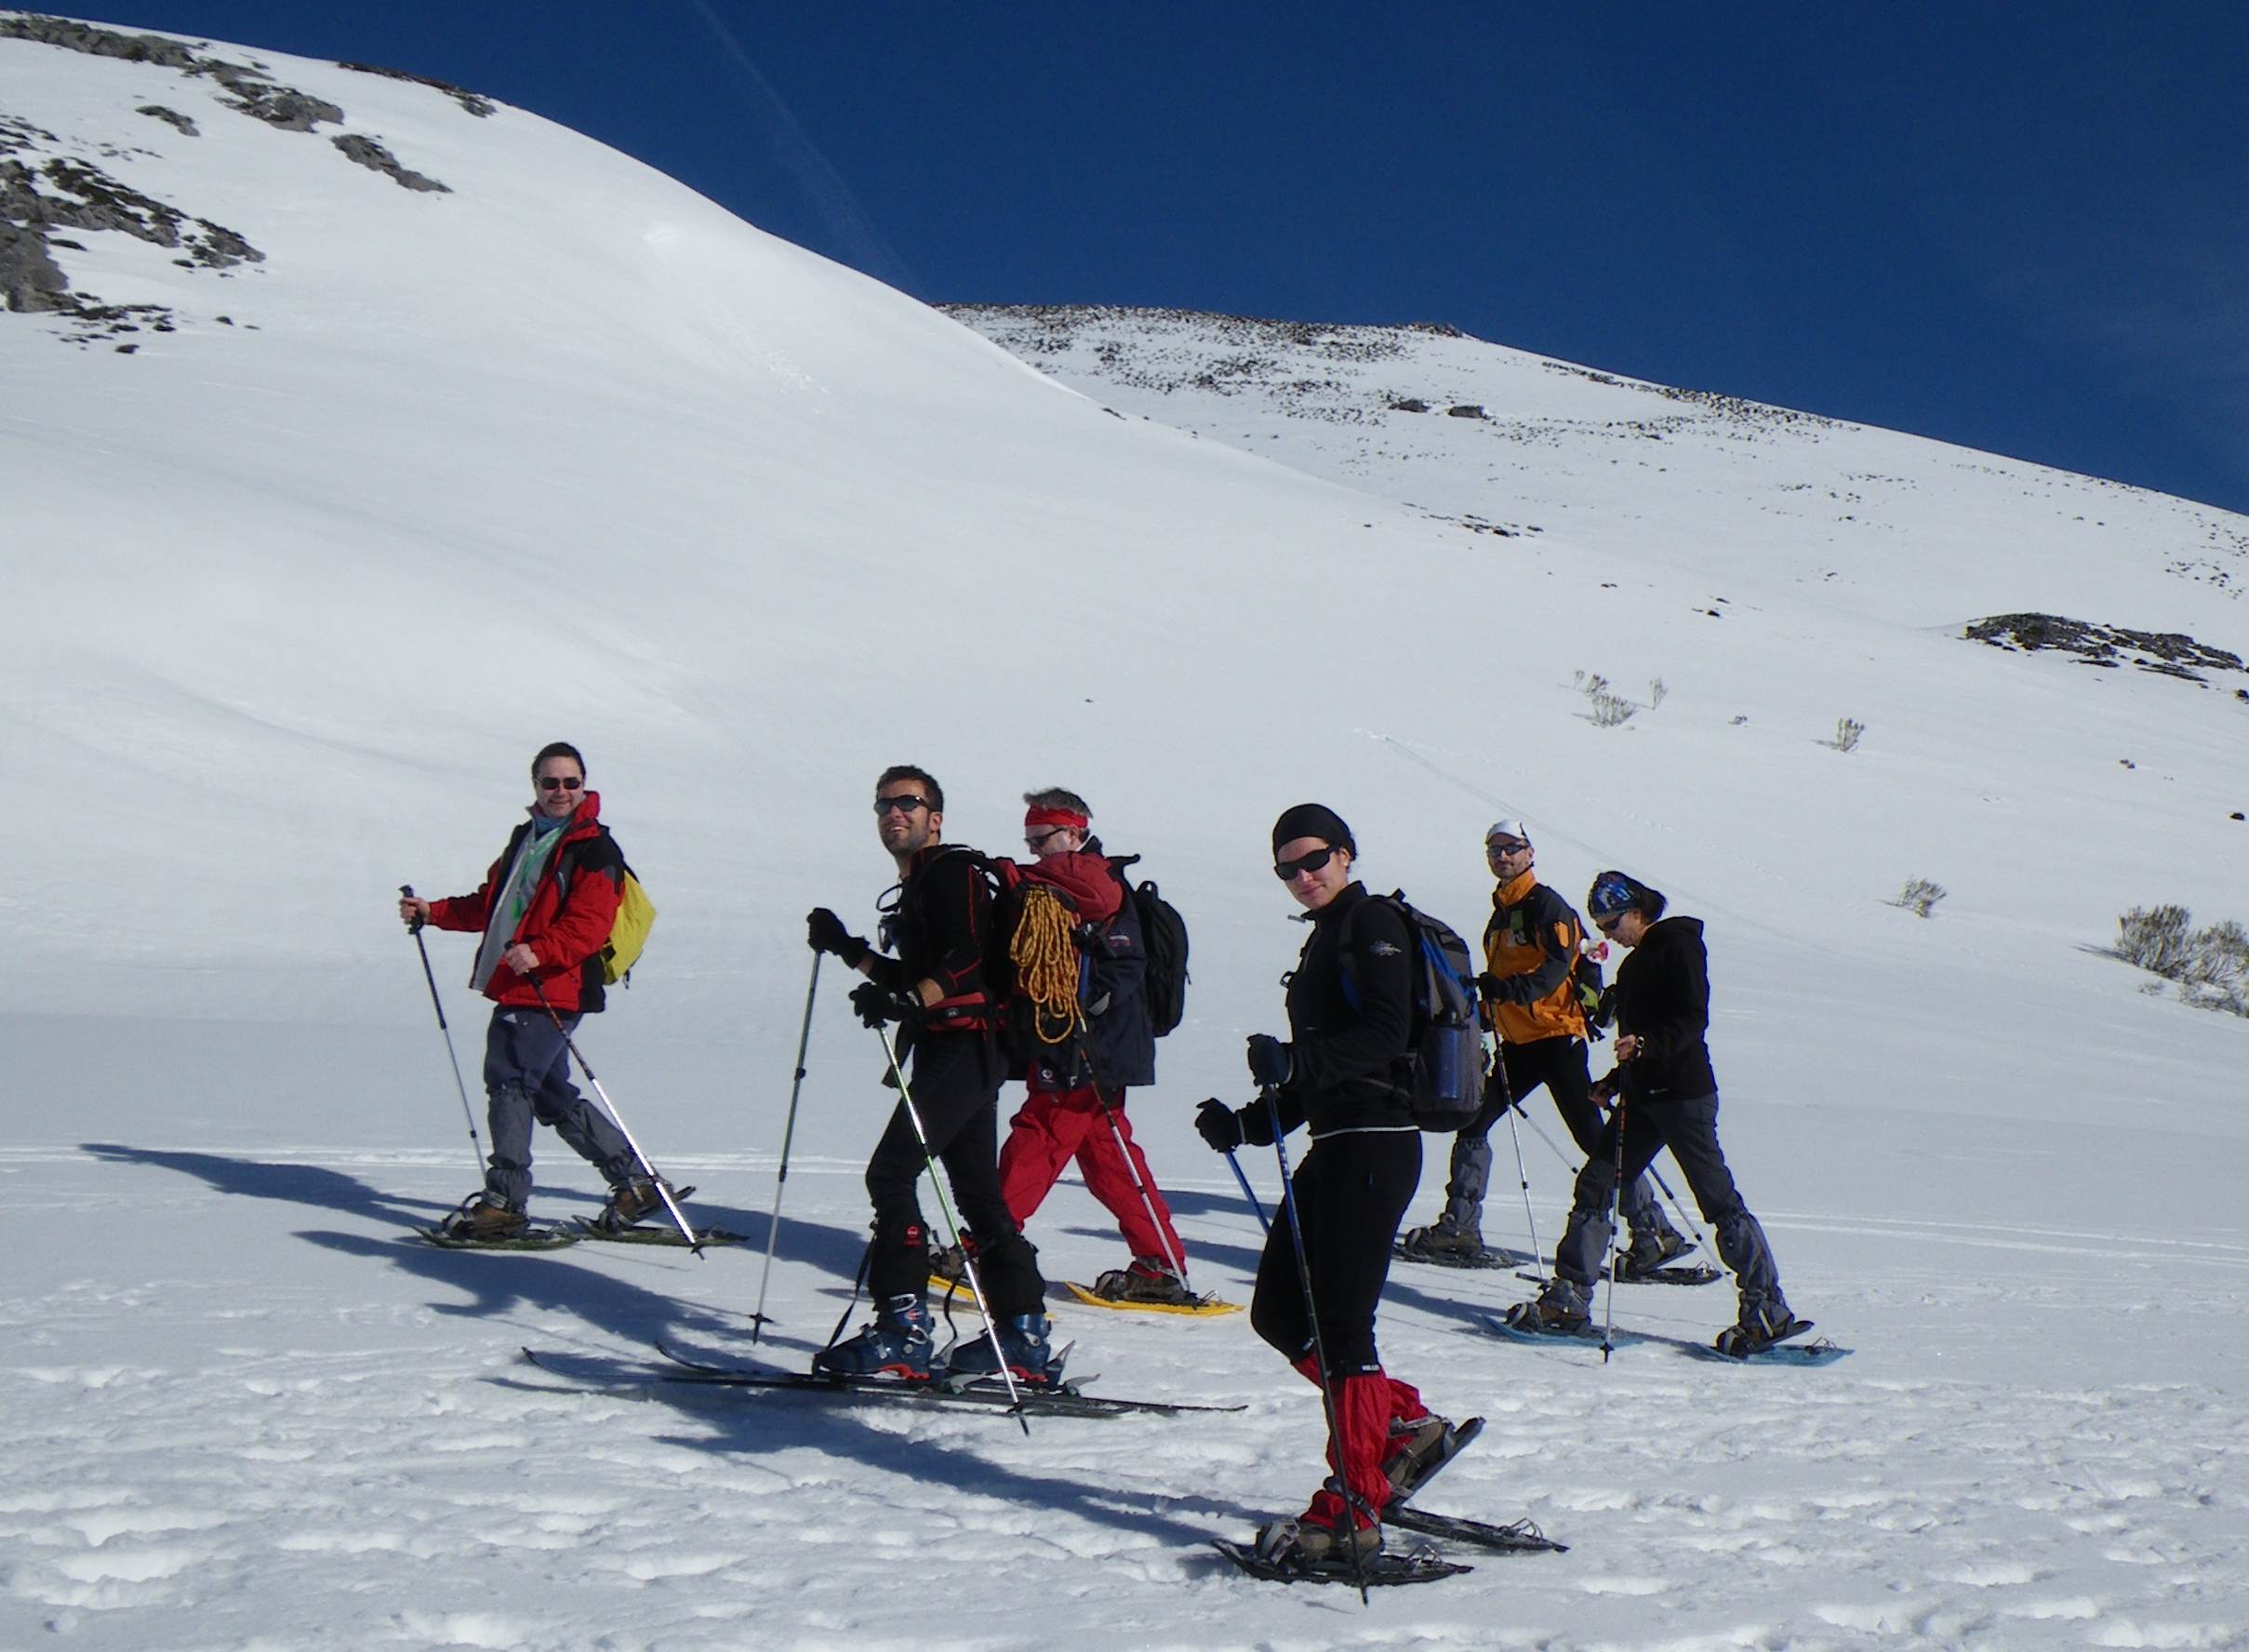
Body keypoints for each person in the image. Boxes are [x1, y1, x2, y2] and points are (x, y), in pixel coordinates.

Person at [1192, 804, 1464, 1567]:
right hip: (1335, 1143)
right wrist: (1252, 1122)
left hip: (1377, 1145)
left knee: (1344, 1331)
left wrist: (1296, 1064)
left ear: (1346, 854)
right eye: (1288, 868)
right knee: (1281, 1312)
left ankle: (1351, 1509)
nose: (1303, 876)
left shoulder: (1372, 922)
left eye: (1314, 860)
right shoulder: (1325, 942)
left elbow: (1383, 1036)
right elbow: (1324, 1067)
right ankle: (1404, 1426)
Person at [804, 765, 1058, 1383]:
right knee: (976, 1193)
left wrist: (912, 1000)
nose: (895, 813)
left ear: (934, 817)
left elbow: (967, 962)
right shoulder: (924, 884)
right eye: (884, 805)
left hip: (966, 1046)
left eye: (908, 803)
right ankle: (1022, 1334)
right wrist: (849, 949)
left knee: (890, 1174)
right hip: (966, 1047)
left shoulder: (949, 875)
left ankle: (903, 1328)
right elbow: (915, 978)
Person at [1510, 871, 1798, 1353]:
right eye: (1601, 925)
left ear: (1638, 912)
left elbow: (1691, 1018)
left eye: (1612, 922)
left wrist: (1645, 1045)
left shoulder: (1678, 946)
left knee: (1717, 1200)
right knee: (1597, 1183)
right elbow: (1636, 1043)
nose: (1608, 934)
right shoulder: (1633, 966)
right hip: (1644, 1097)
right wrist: (1613, 1081)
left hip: (1684, 1095)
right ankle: (1569, 1299)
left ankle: (1767, 1308)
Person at [398, 742, 667, 1242]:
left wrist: (541, 951)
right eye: (550, 782)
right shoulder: (528, 838)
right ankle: (635, 1184)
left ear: (584, 785)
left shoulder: (594, 848)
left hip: (552, 984)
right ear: (535, 786)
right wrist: (434, 912)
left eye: (570, 783)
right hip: (524, 981)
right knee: (546, 1092)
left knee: (509, 1080)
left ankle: (505, 1202)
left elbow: (590, 924)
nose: (560, 792)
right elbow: (493, 906)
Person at [1401, 820, 1686, 1272]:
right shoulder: (1503, 911)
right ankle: (1460, 1225)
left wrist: (1505, 991)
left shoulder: (1545, 905)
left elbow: (1555, 971)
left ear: (1530, 853)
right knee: (1473, 1121)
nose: (1502, 857)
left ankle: (1654, 1231)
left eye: (1511, 848)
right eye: (1494, 849)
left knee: (1594, 1138)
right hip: (1520, 1043)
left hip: (1555, 1039)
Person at [987, 789, 1192, 1305]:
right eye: (1030, 841)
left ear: (1075, 832)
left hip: (1085, 1045)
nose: (1037, 851)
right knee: (1108, 1154)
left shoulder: (1090, 879)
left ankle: (984, 1246)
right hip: (1092, 1044)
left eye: (1045, 838)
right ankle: (1160, 1264)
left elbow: (1108, 939)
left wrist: (1015, 876)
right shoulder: (1067, 881)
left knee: (1040, 1135)